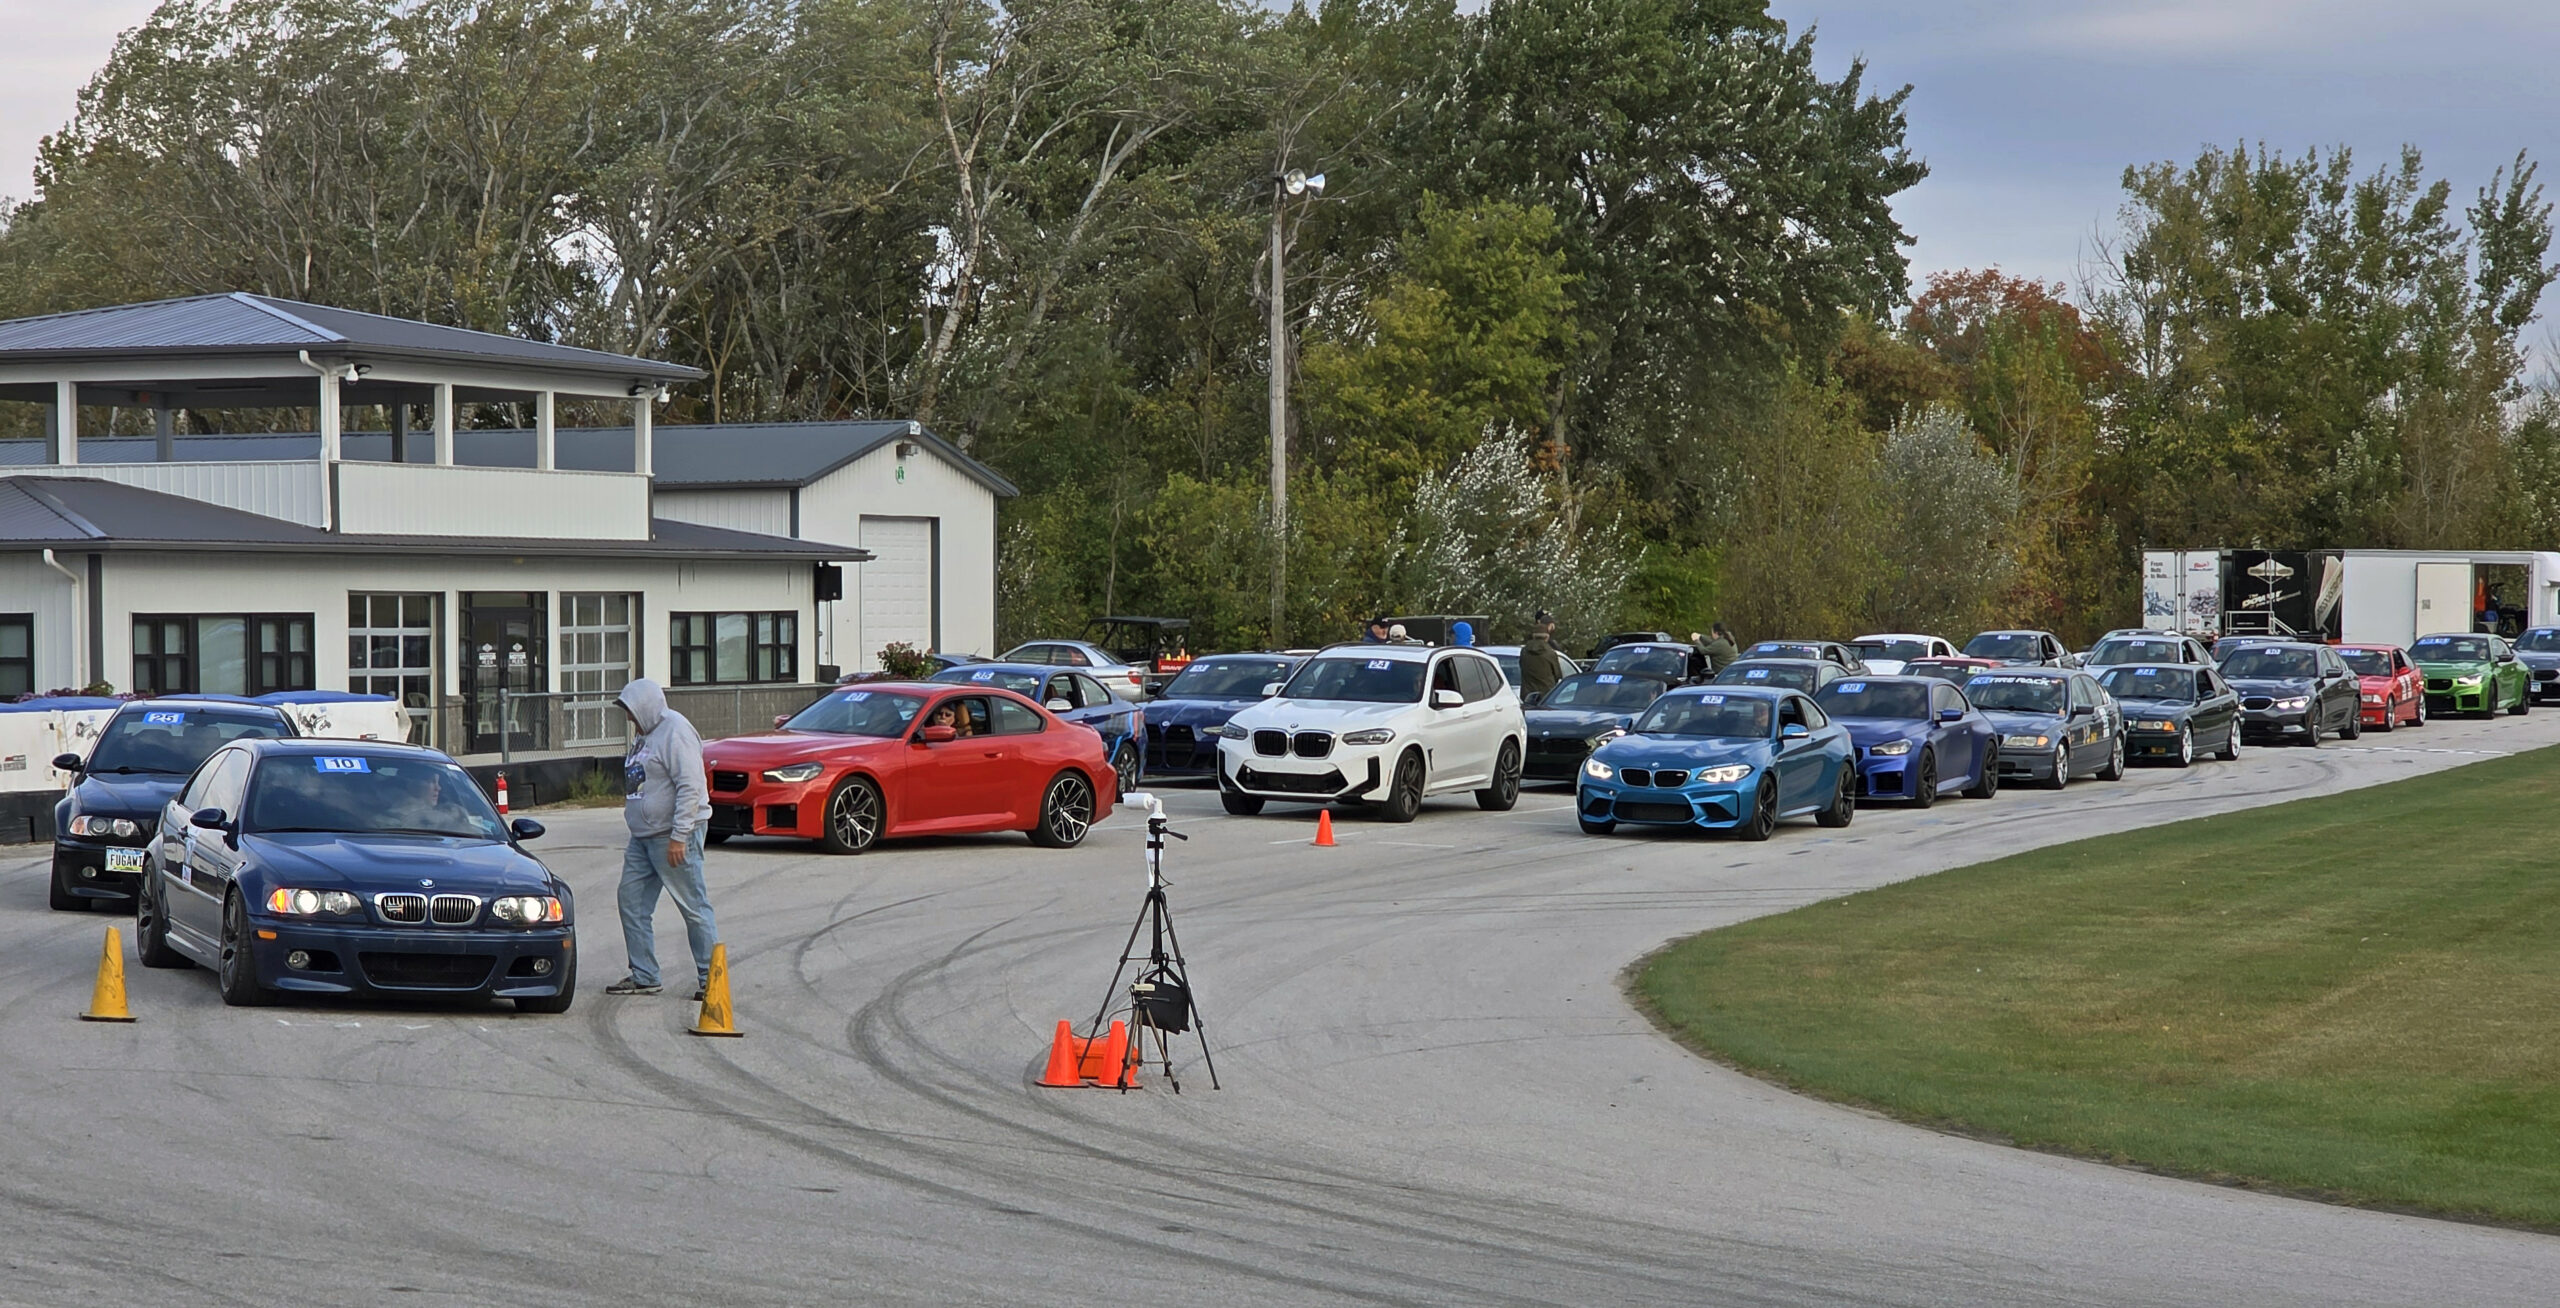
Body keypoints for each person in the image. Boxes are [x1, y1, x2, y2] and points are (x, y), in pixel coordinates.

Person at [607, 678, 718, 1000]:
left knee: (693, 906)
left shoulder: (676, 731)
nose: (628, 717)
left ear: (646, 705)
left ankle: (711, 979)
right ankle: (645, 976)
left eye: (630, 710)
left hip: (672, 836)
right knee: (631, 901)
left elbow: (691, 786)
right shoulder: (644, 734)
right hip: (642, 837)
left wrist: (679, 836)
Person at [1518, 610, 1565, 701]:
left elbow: (1521, 667)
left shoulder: (1524, 652)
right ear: (1547, 637)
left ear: (1534, 636)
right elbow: (1558, 675)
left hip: (1527, 696)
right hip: (1547, 696)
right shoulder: (1550, 653)